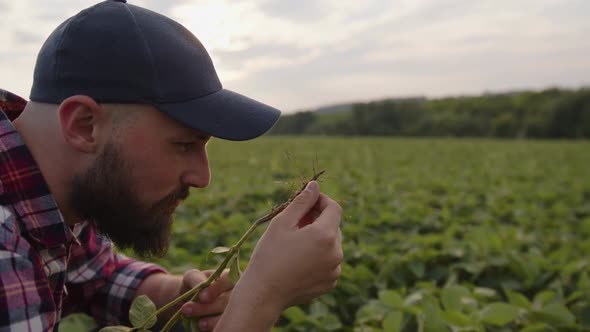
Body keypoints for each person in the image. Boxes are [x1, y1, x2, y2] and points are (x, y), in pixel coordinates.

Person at [0, 0, 343, 331]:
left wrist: (181, 297)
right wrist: (262, 298)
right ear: (83, 125)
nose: (202, 177)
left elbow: (97, 278)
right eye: (183, 144)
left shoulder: (54, 201)